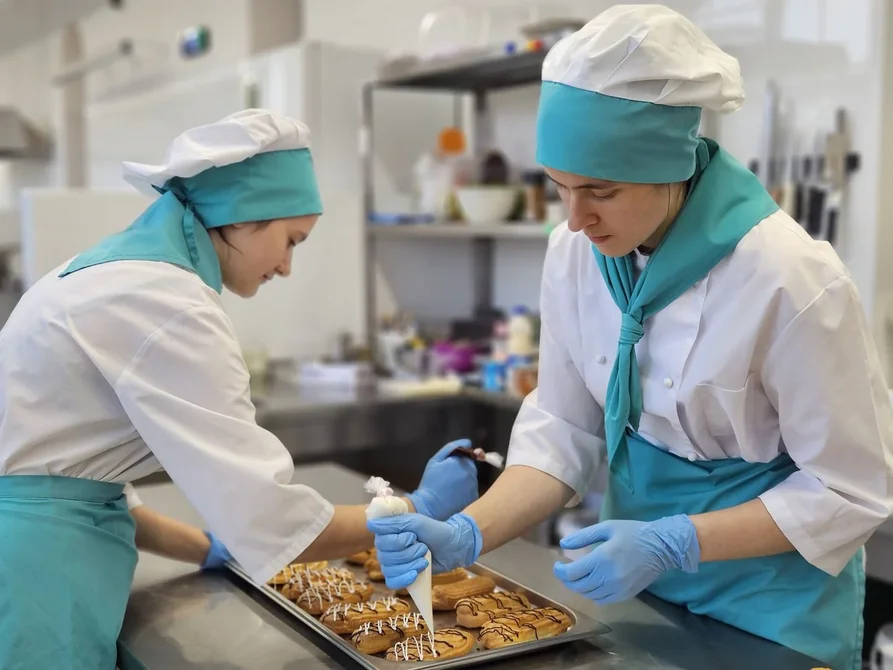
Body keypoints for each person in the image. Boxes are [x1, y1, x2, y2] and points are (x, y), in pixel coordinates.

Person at [366, 6, 893, 670]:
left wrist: (675, 542)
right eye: (559, 187)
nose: (575, 218)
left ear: (671, 165)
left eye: (601, 191)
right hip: (644, 603)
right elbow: (564, 427)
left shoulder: (787, 278)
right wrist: (470, 532)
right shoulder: (574, 254)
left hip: (774, 612)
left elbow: (850, 489)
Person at [0, 109, 481, 670]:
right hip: (37, 574)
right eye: (291, 240)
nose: (287, 266)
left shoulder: (111, 273)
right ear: (244, 217)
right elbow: (271, 520)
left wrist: (205, 547)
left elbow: (78, 481)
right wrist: (412, 508)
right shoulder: (170, 304)